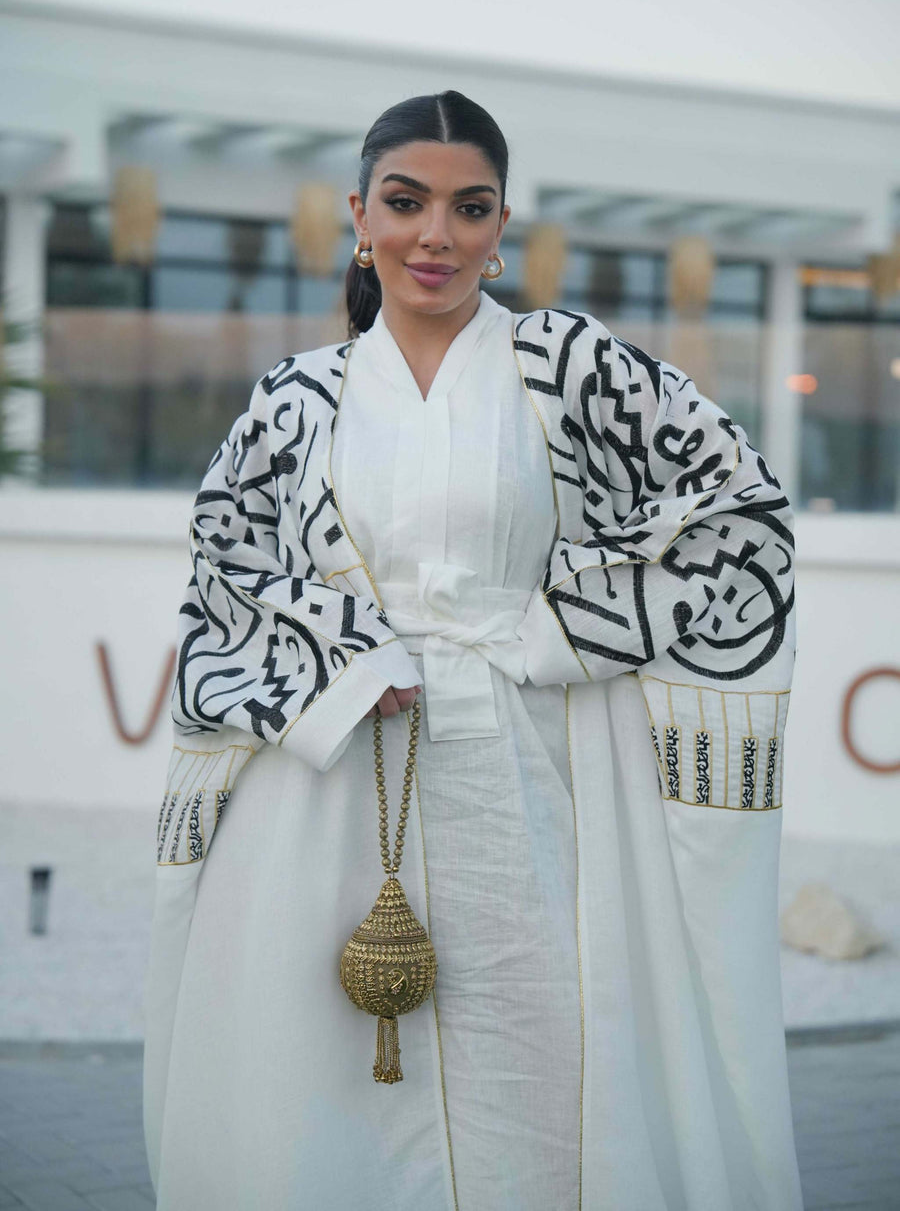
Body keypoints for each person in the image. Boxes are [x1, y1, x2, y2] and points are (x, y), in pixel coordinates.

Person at [142, 90, 804, 1210]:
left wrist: (559, 631)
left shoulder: (573, 367)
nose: (434, 235)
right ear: (361, 214)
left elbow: (741, 516)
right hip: (329, 786)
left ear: (504, 228)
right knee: (320, 1087)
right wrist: (345, 664)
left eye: (469, 207)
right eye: (405, 202)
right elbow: (223, 581)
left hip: (525, 770)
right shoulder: (296, 400)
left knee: (541, 1060)